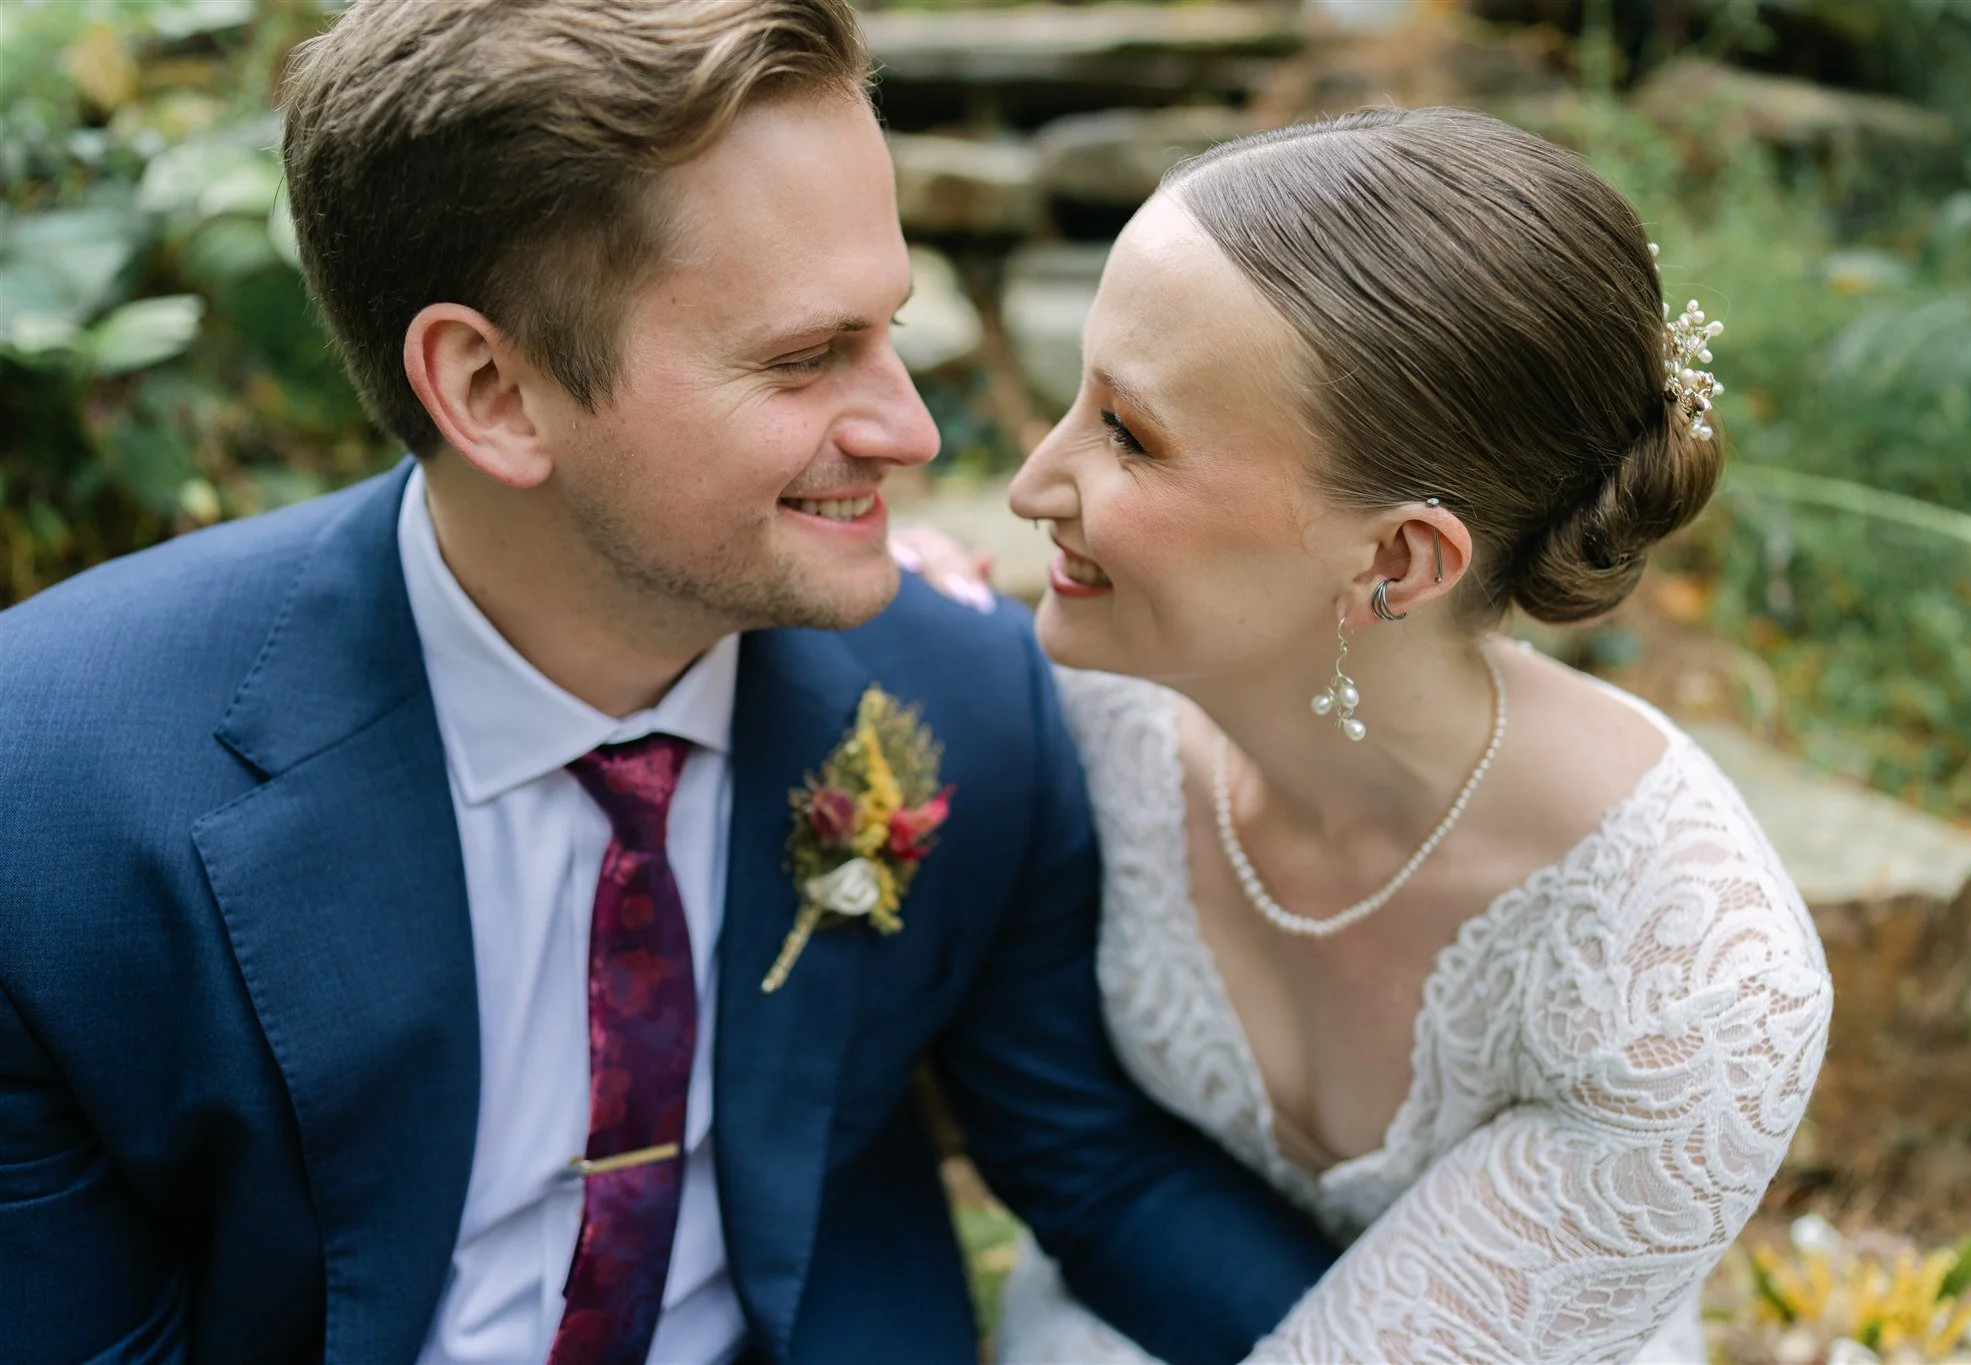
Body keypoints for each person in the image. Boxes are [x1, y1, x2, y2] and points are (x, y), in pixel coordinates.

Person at [0, 4, 1340, 1362]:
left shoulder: (967, 701)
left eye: (890, 328)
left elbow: (1099, 1173)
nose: (912, 429)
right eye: (805, 358)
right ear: (494, 392)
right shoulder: (54, 806)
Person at [909, 107, 1833, 1363]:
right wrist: (906, 622)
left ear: (1398, 558)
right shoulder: (1091, 712)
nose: (1029, 484)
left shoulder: (1690, 987)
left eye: (1127, 433)